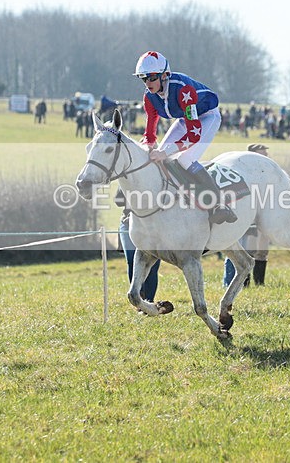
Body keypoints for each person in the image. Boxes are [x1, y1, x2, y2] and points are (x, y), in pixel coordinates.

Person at [134, 51, 236, 224]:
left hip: (207, 117)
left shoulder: (183, 90)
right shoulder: (149, 97)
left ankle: (219, 204)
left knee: (185, 159)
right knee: (159, 157)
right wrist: (146, 148)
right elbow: (150, 133)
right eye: (143, 78)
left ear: (164, 75)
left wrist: (165, 153)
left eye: (151, 77)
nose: (148, 83)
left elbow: (194, 135)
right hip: (185, 119)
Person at [224, 143, 271, 287]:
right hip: (249, 215)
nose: (266, 157)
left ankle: (259, 283)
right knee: (247, 249)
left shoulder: (269, 172)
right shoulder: (244, 171)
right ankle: (243, 283)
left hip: (264, 214)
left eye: (266, 155)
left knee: (262, 250)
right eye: (262, 154)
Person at [115, 189, 161, 303]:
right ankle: (138, 298)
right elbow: (118, 200)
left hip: (153, 225)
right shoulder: (129, 179)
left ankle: (149, 301)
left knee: (152, 265)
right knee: (131, 260)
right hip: (128, 223)